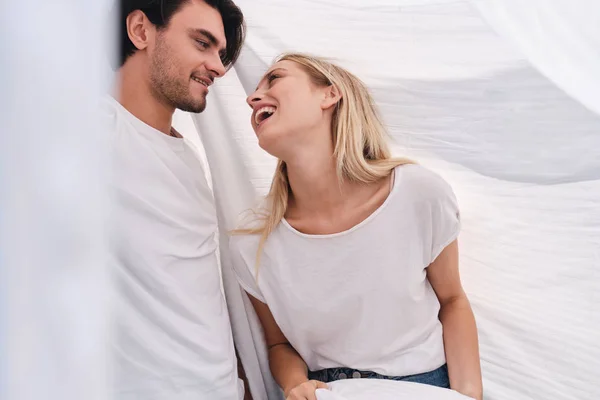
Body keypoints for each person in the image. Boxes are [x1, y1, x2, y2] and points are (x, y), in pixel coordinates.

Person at [229, 53, 483, 400]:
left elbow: (453, 301)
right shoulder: (253, 240)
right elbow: (278, 343)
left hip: (424, 386)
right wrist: (294, 384)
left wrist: (469, 395)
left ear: (329, 95)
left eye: (274, 79)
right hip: (328, 392)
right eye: (255, 89)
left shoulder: (417, 193)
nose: (252, 97)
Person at [103, 1, 248, 399]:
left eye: (220, 53)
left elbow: (197, 292)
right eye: (202, 43)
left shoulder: (190, 160)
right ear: (140, 30)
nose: (219, 67)